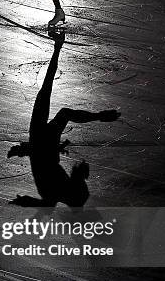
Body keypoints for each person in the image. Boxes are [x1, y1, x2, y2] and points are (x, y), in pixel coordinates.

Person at [8, 32, 120, 208]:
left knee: (53, 97)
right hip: (43, 141)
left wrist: (25, 150)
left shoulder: (55, 195)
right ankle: (57, 47)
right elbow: (46, 196)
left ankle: (57, 47)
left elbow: (45, 163)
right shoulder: (55, 196)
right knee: (49, 94)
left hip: (44, 143)